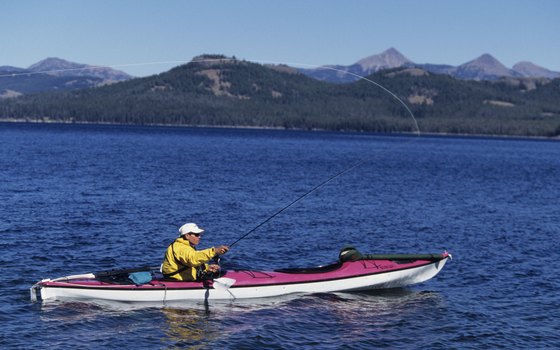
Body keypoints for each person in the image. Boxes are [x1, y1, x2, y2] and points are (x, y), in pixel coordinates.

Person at [161, 222, 229, 281]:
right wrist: (214, 251)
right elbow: (193, 259)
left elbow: (189, 263)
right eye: (196, 235)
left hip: (184, 278)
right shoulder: (180, 247)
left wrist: (206, 268)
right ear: (187, 236)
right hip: (177, 281)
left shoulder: (185, 245)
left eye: (199, 235)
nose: (199, 237)